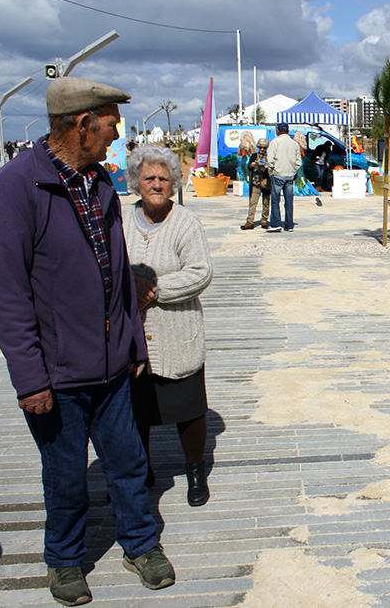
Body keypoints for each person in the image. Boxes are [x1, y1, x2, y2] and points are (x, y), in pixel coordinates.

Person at [0, 76, 175, 606]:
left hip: (113, 366)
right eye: (111, 122)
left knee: (130, 463)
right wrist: (29, 377)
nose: (117, 134)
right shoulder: (18, 186)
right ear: (83, 125)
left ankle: (141, 544)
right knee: (66, 477)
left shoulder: (99, 183)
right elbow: (10, 293)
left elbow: (116, 274)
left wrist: (135, 344)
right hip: (56, 374)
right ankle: (65, 561)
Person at [123, 145, 214, 508]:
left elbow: (201, 271)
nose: (157, 184)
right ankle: (141, 470)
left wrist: (156, 290)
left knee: (189, 409)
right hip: (131, 334)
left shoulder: (185, 222)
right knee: (134, 410)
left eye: (164, 178)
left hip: (177, 330)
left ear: (174, 182)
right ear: (137, 182)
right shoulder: (121, 218)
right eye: (149, 178)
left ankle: (195, 471)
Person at [266, 122, 300, 233]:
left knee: (275, 200)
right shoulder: (294, 144)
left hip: (278, 174)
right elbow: (299, 162)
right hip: (290, 175)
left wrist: (272, 170)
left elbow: (270, 160)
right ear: (288, 131)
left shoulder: (274, 142)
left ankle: (276, 224)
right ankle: (289, 225)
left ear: (278, 130)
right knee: (289, 201)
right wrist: (293, 171)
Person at [242, 136, 271, 230]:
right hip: (256, 181)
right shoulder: (254, 156)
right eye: (260, 147)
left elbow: (272, 168)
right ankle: (250, 221)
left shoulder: (269, 156)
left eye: (264, 147)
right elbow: (248, 167)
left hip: (266, 182)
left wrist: (266, 168)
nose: (262, 149)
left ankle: (264, 220)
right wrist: (252, 165)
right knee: (253, 202)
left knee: (266, 203)